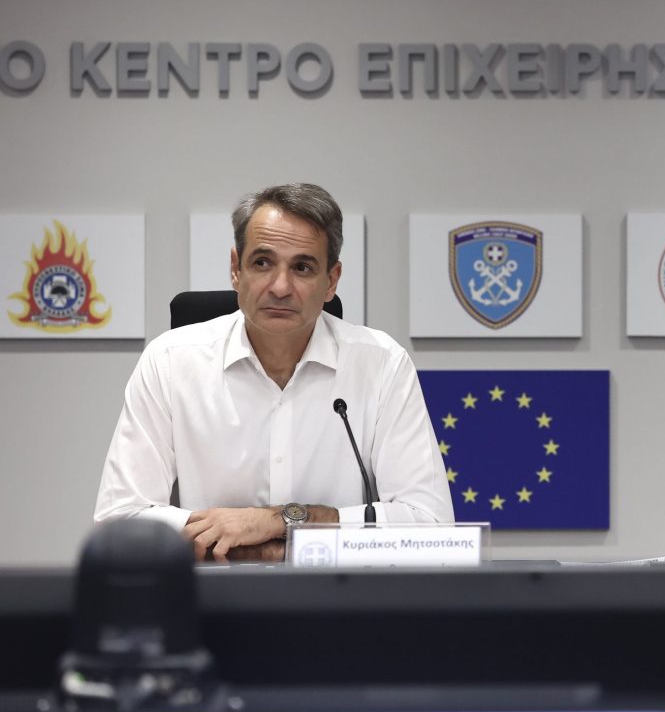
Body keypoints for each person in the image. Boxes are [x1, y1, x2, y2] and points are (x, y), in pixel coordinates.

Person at [96, 183, 453, 561]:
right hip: (214, 595)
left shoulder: (381, 364)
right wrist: (269, 549)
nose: (280, 287)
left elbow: (431, 525)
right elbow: (120, 520)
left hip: (337, 594)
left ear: (331, 281)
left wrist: (279, 521)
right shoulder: (170, 362)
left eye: (302, 267)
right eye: (263, 263)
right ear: (236, 269)